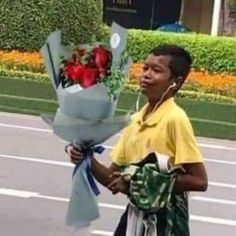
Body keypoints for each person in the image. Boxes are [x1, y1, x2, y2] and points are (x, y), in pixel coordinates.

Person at [67, 44, 208, 235]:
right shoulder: (136, 120)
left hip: (166, 221)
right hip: (135, 215)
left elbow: (199, 180)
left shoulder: (175, 119)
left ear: (176, 81)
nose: (146, 75)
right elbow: (113, 178)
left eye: (156, 70)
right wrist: (86, 158)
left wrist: (136, 182)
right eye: (145, 68)